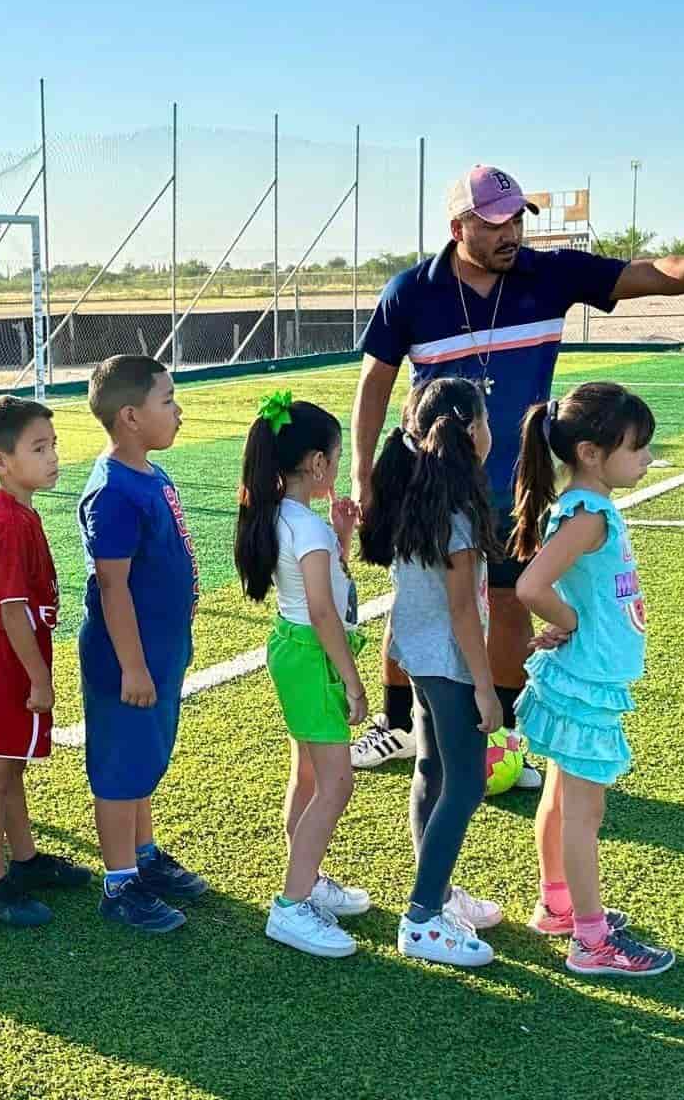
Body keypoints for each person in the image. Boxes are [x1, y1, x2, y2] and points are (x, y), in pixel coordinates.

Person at [347, 166, 684, 777]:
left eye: (517, 218)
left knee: (510, 604)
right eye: (494, 223)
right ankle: (399, 725)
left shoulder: (551, 274)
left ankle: (504, 741)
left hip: (518, 481)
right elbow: (374, 385)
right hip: (430, 483)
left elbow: (654, 273)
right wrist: (363, 475)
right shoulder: (411, 292)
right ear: (457, 225)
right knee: (420, 601)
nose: (510, 232)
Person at [511, 383, 673, 976]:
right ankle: (590, 939)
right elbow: (532, 586)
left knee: (561, 797)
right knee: (584, 813)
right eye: (638, 448)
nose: (647, 458)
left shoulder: (585, 508)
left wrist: (569, 620)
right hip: (586, 680)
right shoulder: (589, 515)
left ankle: (559, 904)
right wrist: (570, 620)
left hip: (584, 676)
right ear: (590, 453)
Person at [359, 377, 505, 968]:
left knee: (432, 769)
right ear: (472, 431)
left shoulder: (408, 488)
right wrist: (487, 690)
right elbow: (463, 612)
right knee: (465, 783)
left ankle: (437, 892)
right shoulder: (458, 515)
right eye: (486, 420)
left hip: (417, 658)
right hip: (448, 665)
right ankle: (421, 916)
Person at [233, 391, 371, 957]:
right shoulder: (304, 529)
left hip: (292, 650)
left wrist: (341, 536)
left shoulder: (288, 518)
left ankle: (305, 881)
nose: (336, 471)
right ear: (316, 464)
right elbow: (323, 613)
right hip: (313, 656)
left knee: (311, 776)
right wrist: (353, 680)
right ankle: (291, 905)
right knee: (337, 783)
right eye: (335, 460)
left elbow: (320, 592)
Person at [78, 355, 205, 934]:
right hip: (126, 659)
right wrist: (131, 665)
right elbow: (112, 584)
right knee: (120, 766)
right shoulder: (113, 491)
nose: (177, 411)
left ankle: (144, 855)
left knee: (145, 759)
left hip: (157, 650)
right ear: (130, 416)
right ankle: (120, 881)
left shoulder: (151, 474)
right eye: (167, 401)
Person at [0, 396, 92, 927]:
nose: (52, 457)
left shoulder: (20, 513)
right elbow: (12, 609)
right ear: (1, 461)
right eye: (38, 448)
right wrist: (39, 676)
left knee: (12, 765)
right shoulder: (10, 523)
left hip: (17, 655)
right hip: (5, 662)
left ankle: (24, 860)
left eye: (53, 446)